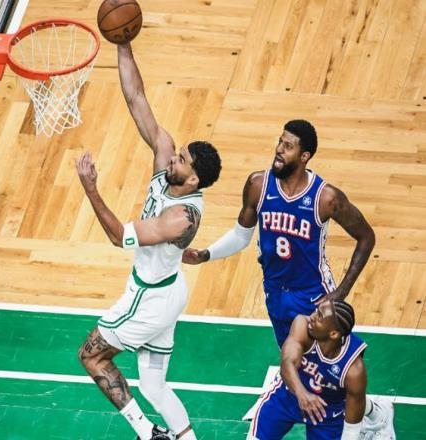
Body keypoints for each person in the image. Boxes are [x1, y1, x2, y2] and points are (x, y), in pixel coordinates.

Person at [76, 42, 222, 440]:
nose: (173, 157)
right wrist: (123, 43)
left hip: (150, 297)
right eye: (179, 153)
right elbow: (136, 97)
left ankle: (146, 433)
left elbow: (119, 237)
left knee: (91, 356)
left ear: (194, 179)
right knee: (154, 385)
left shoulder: (180, 218)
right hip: (170, 289)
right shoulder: (166, 161)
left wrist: (91, 189)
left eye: (182, 160)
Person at [183, 120, 376, 348]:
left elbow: (366, 237)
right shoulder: (258, 185)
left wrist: (341, 291)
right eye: (280, 142)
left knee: (329, 363)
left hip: (313, 295)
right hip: (275, 293)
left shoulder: (325, 198)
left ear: (304, 156)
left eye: (288, 146)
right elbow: (241, 236)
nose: (279, 149)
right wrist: (205, 255)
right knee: (291, 359)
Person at [248, 299, 395, 440]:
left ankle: (379, 414)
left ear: (334, 334)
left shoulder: (353, 370)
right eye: (316, 311)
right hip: (288, 396)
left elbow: (351, 428)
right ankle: (376, 411)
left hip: (327, 413)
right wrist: (302, 394)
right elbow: (287, 363)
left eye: (319, 317)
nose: (312, 317)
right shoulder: (302, 325)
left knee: (353, 401)